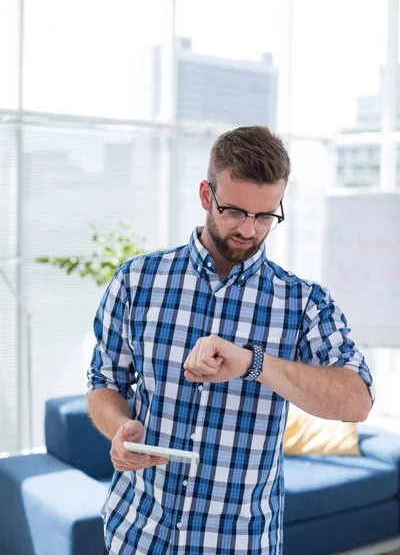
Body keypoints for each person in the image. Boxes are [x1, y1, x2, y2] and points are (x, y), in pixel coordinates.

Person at [87, 125, 375, 555]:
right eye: (234, 211)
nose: (248, 229)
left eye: (265, 216)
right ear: (206, 196)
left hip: (240, 542)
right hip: (137, 532)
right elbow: (103, 382)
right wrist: (119, 430)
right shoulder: (137, 281)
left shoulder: (303, 303)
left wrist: (252, 363)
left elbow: (357, 402)